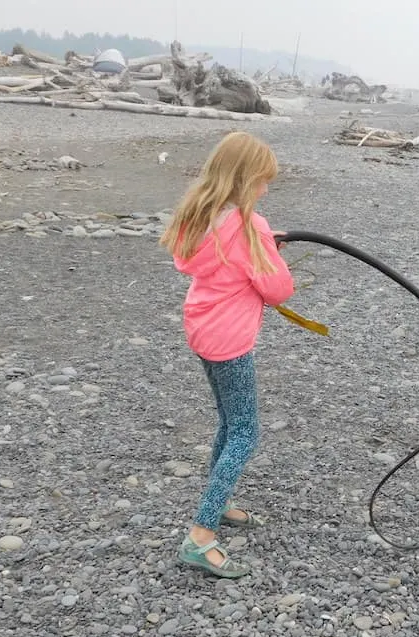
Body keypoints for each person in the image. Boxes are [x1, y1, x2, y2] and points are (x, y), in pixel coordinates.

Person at [159, 132, 295, 578]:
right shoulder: (249, 226)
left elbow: (228, 256)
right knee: (245, 433)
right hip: (231, 342)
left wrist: (262, 242)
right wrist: (267, 247)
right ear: (243, 180)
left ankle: (219, 501)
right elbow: (278, 290)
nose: (266, 189)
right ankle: (201, 535)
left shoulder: (202, 215)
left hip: (203, 332)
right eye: (261, 181)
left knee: (228, 422)